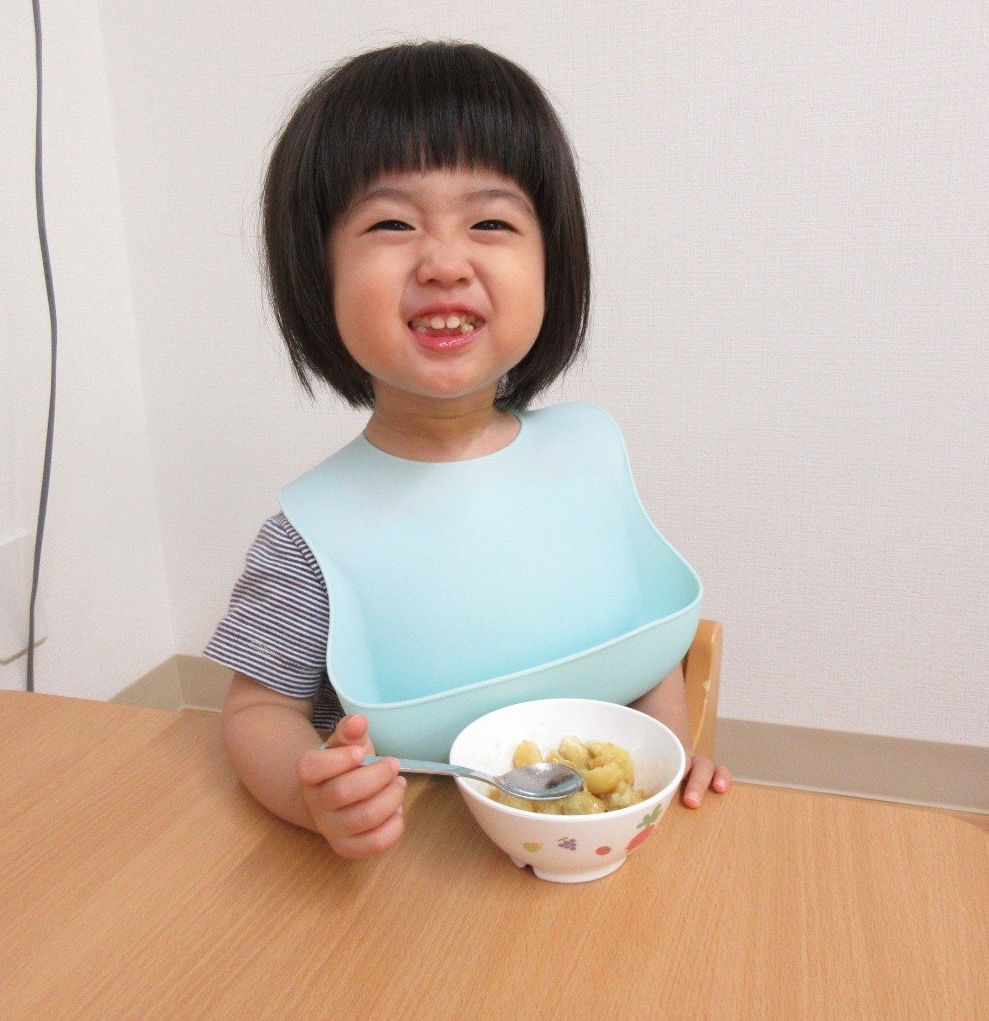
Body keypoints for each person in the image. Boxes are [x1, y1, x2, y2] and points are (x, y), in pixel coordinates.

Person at [209, 41, 731, 859]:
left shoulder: (590, 462)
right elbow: (256, 712)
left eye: (490, 222)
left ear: (552, 260)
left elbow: (641, 657)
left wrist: (660, 761)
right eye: (392, 223)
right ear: (318, 271)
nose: (445, 263)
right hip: (411, 865)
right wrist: (313, 797)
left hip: (596, 860)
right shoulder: (311, 535)